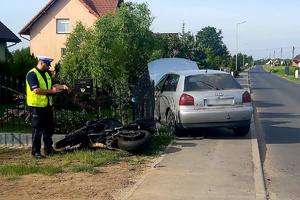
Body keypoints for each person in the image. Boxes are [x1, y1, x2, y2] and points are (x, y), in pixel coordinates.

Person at [26, 56, 69, 159]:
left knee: (48, 129)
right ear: (41, 63)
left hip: (47, 106)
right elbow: (36, 90)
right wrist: (52, 91)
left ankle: (48, 150)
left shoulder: (45, 74)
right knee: (37, 130)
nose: (49, 67)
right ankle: (35, 152)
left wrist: (63, 86)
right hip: (36, 106)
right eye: (47, 65)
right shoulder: (32, 74)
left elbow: (53, 85)